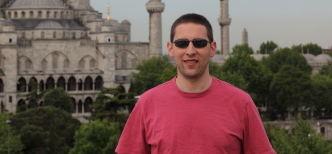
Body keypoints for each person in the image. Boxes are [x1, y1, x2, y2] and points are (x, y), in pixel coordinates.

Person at [116, 13, 276, 154]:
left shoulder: (241, 103)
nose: (190, 51)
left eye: (199, 43)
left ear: (212, 48)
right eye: (182, 43)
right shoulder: (147, 103)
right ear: (170, 49)